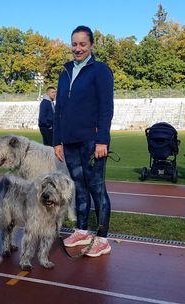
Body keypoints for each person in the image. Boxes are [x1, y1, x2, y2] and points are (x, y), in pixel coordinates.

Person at [53, 25, 114, 257]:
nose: (77, 49)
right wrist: (57, 140)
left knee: (96, 187)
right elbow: (59, 109)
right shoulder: (65, 71)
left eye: (82, 44)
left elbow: (106, 108)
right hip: (69, 141)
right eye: (74, 44)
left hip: (91, 141)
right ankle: (82, 230)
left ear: (91, 46)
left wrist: (102, 140)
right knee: (78, 187)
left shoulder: (100, 70)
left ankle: (103, 237)